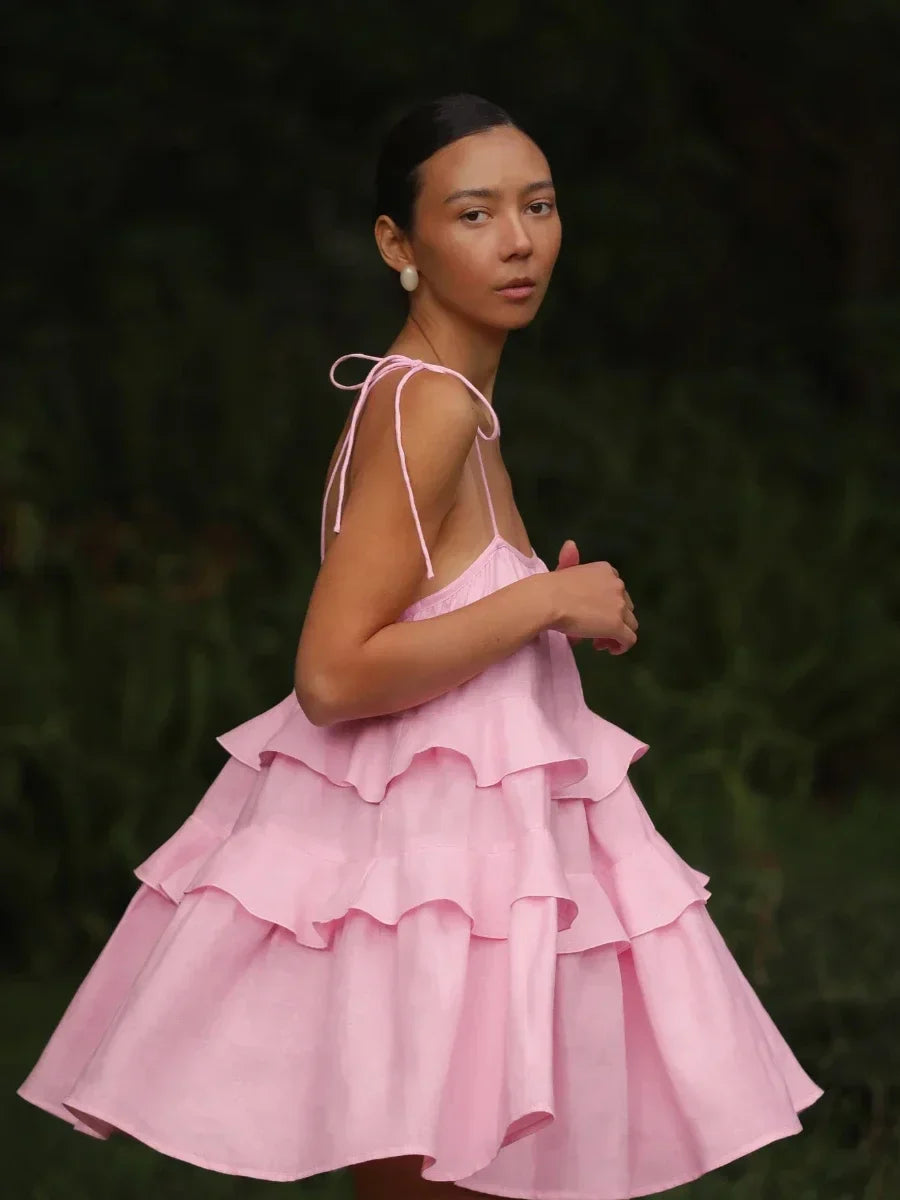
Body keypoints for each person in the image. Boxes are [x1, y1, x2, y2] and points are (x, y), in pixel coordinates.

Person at [17, 94, 823, 1199]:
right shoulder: (426, 408)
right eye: (475, 213)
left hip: (455, 865)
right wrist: (545, 604)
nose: (519, 240)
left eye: (537, 206)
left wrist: (554, 597)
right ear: (400, 244)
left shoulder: (450, 405)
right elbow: (335, 673)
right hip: (431, 880)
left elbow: (434, 616)